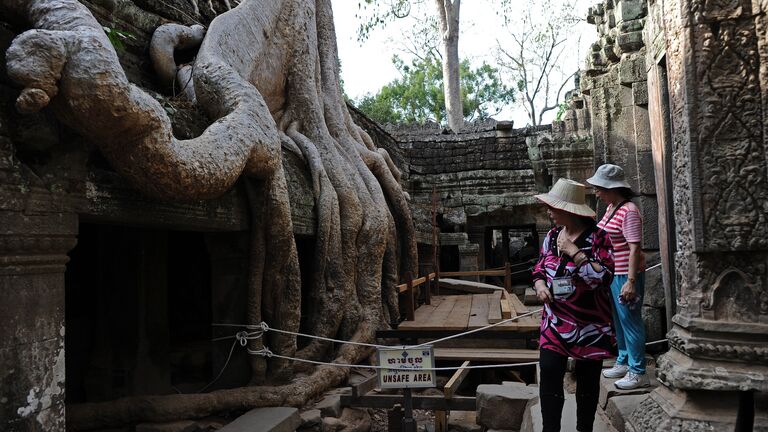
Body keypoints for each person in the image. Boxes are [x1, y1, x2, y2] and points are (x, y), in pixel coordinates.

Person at [532, 178, 615, 432]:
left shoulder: (599, 238)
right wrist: (540, 286)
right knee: (548, 372)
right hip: (554, 322)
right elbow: (539, 267)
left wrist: (576, 253)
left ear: (568, 210)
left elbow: (604, 278)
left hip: (590, 325)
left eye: (553, 208)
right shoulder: (552, 235)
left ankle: (584, 429)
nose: (549, 212)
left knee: (588, 382)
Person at [586, 164, 649, 390]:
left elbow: (634, 248)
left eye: (599, 188)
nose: (597, 193)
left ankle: (638, 371)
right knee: (619, 322)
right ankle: (623, 361)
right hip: (613, 274)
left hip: (626, 275)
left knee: (630, 322)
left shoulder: (629, 211)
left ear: (611, 188)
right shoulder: (612, 207)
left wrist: (631, 282)